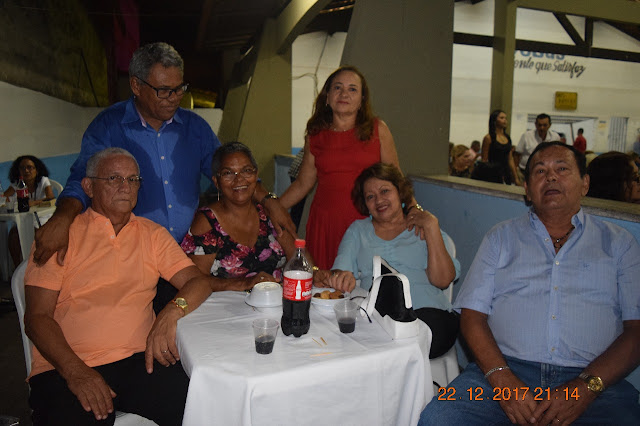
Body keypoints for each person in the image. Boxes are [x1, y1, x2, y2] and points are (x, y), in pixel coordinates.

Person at [32, 42, 294, 312]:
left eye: (179, 88)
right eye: (164, 90)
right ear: (136, 85)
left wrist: (269, 200)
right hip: (133, 258)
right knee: (136, 326)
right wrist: (62, 218)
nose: (174, 97)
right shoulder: (109, 126)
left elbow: (231, 174)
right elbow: (82, 178)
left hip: (187, 260)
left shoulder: (195, 128)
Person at [420, 142, 640, 425]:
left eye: (562, 169)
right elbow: (472, 317)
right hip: (502, 372)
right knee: (439, 418)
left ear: (585, 184)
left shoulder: (619, 244)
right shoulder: (501, 238)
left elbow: (636, 331)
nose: (551, 177)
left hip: (593, 380)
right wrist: (503, 380)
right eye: (540, 171)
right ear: (526, 189)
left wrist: (585, 388)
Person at [24, 148, 215, 425]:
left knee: (203, 405)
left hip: (140, 359)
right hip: (66, 364)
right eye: (114, 178)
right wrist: (76, 372)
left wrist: (171, 312)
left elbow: (198, 282)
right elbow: (37, 318)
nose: (126, 187)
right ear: (88, 186)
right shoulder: (60, 236)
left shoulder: (152, 234)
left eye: (133, 179)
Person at [317, 163, 460, 358]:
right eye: (370, 197)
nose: (379, 200)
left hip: (429, 315)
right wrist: (341, 277)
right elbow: (340, 272)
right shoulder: (358, 231)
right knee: (360, 337)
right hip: (379, 318)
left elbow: (443, 280)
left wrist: (432, 226)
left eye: (385, 191)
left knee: (396, 342)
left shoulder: (424, 226)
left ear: (400, 192)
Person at [277, 66, 406, 269]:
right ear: (327, 97)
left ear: (362, 99)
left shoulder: (378, 130)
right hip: (325, 224)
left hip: (368, 221)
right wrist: (270, 209)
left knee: (365, 280)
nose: (344, 94)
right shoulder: (315, 135)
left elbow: (396, 179)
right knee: (325, 283)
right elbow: (302, 184)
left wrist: (414, 210)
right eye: (337, 87)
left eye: (352, 89)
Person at [181, 142, 295, 285]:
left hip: (276, 297)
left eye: (246, 171)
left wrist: (315, 272)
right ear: (216, 182)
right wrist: (244, 284)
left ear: (256, 175)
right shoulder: (207, 222)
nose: (239, 179)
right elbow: (195, 282)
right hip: (225, 299)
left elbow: (298, 257)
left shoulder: (268, 213)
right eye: (228, 173)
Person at [3, 155, 55, 266]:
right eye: (22, 168)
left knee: (34, 232)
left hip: (41, 218)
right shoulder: (17, 184)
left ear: (37, 169)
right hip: (23, 219)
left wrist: (33, 203)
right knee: (13, 234)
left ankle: (36, 265)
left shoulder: (43, 181)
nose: (26, 171)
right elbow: (3, 198)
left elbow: (51, 197)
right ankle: (18, 267)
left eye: (29, 167)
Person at [481, 109, 520, 185]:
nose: (505, 120)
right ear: (494, 121)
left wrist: (516, 178)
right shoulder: (488, 138)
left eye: (505, 118)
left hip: (506, 172)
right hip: (493, 172)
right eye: (502, 118)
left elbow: (510, 158)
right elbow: (484, 160)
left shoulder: (507, 138)